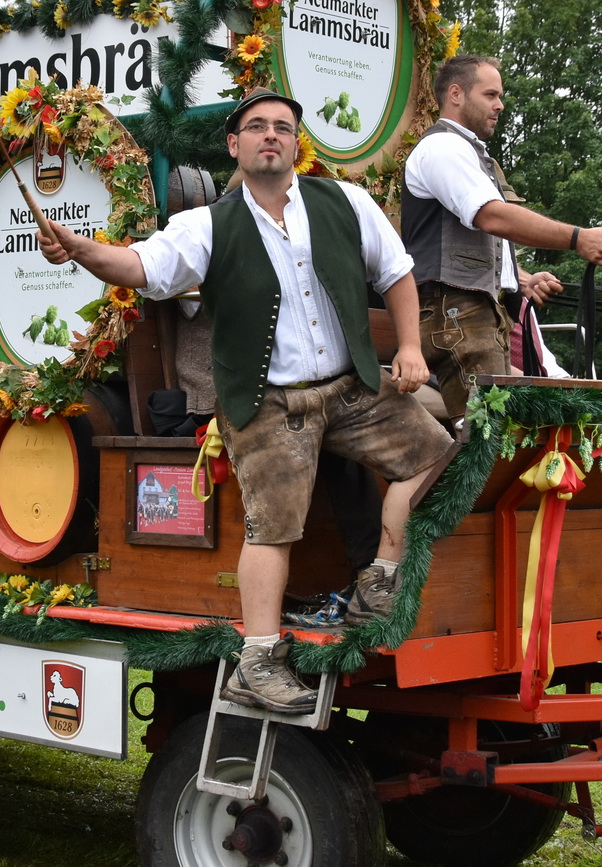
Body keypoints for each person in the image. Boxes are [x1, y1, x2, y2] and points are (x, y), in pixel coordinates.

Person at [35, 88, 455, 714]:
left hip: (351, 389)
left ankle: (381, 577)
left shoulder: (345, 202)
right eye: (257, 127)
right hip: (268, 402)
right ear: (235, 145)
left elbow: (395, 271)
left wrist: (412, 347)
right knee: (272, 527)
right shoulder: (206, 225)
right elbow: (140, 267)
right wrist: (79, 249)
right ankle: (256, 661)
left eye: (282, 126)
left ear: (295, 143)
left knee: (436, 454)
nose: (271, 135)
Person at [400, 54, 602, 416]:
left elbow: (472, 243)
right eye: (490, 95)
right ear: (456, 94)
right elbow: (491, 216)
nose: (499, 105)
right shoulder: (443, 147)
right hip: (458, 314)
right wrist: (578, 238)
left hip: (470, 314)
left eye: (499, 96)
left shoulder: (464, 150)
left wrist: (521, 280)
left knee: (491, 434)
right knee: (488, 437)